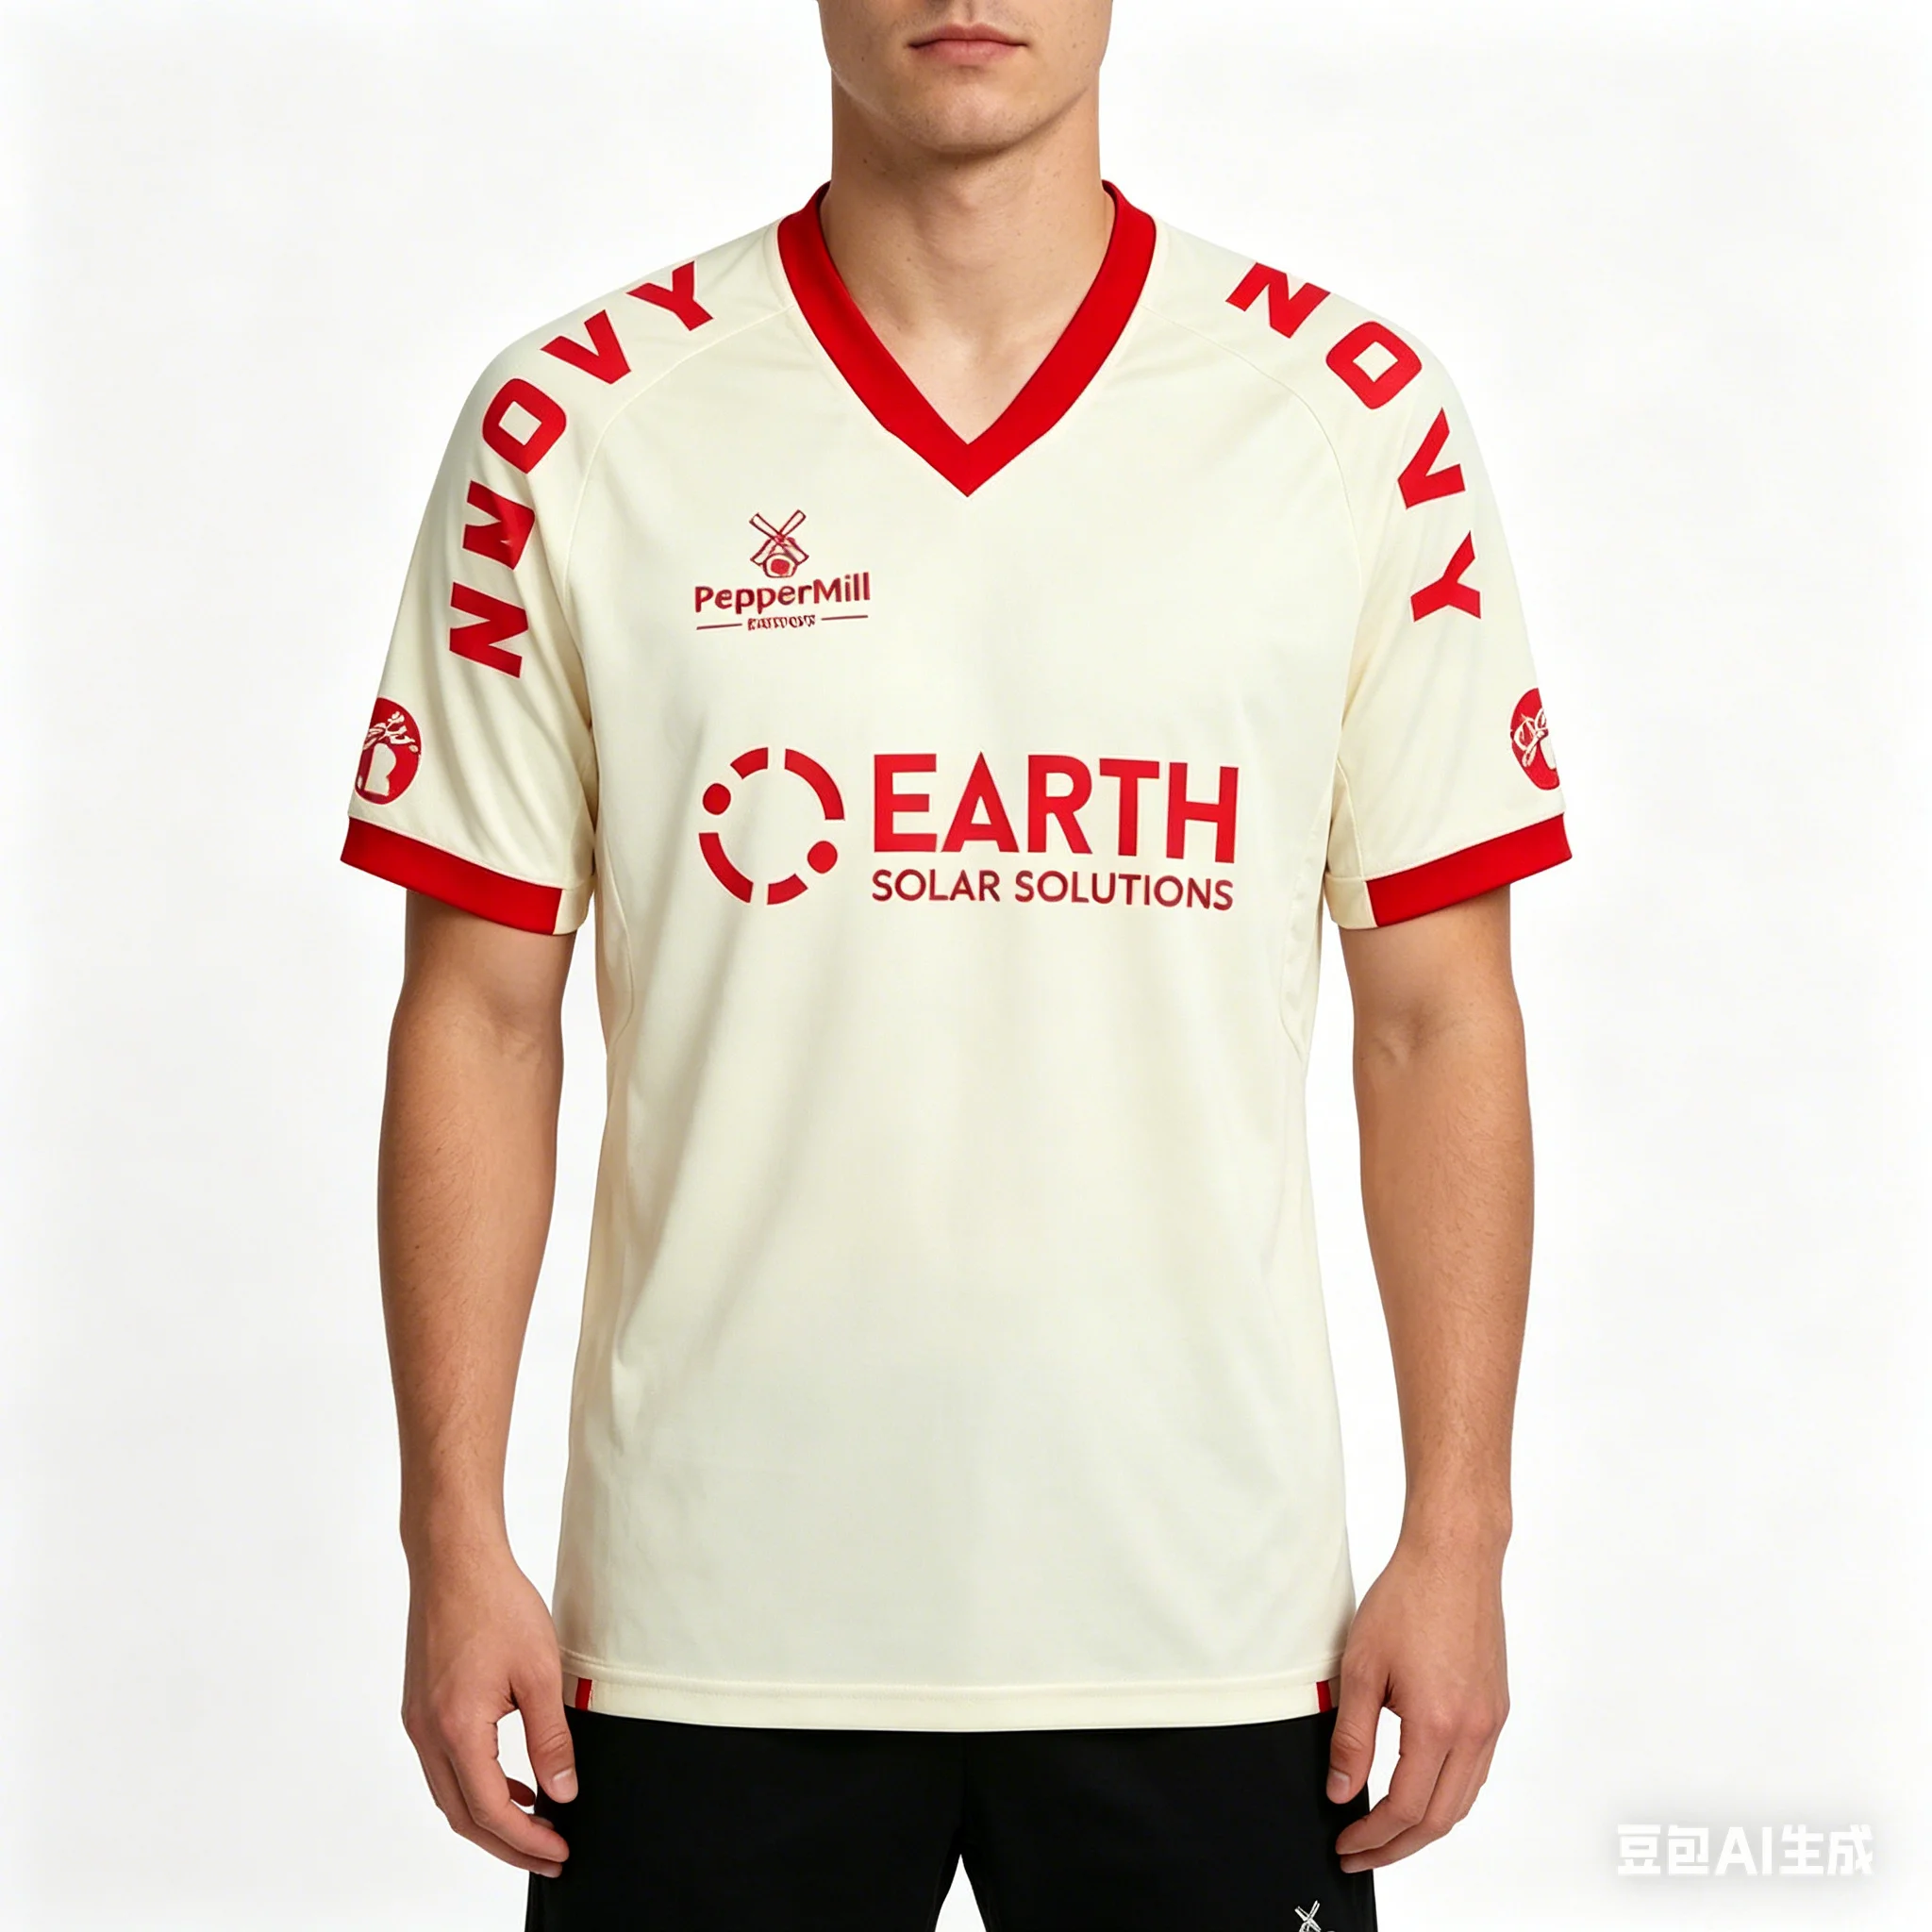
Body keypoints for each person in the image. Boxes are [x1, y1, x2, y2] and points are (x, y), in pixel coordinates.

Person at [342, 3, 1570, 1925]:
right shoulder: (574, 425)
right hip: (702, 1631)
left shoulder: (1351, 421)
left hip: (1211, 1628)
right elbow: (481, 1020)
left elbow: (1435, 1020)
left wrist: (1461, 1531)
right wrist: (449, 1532)